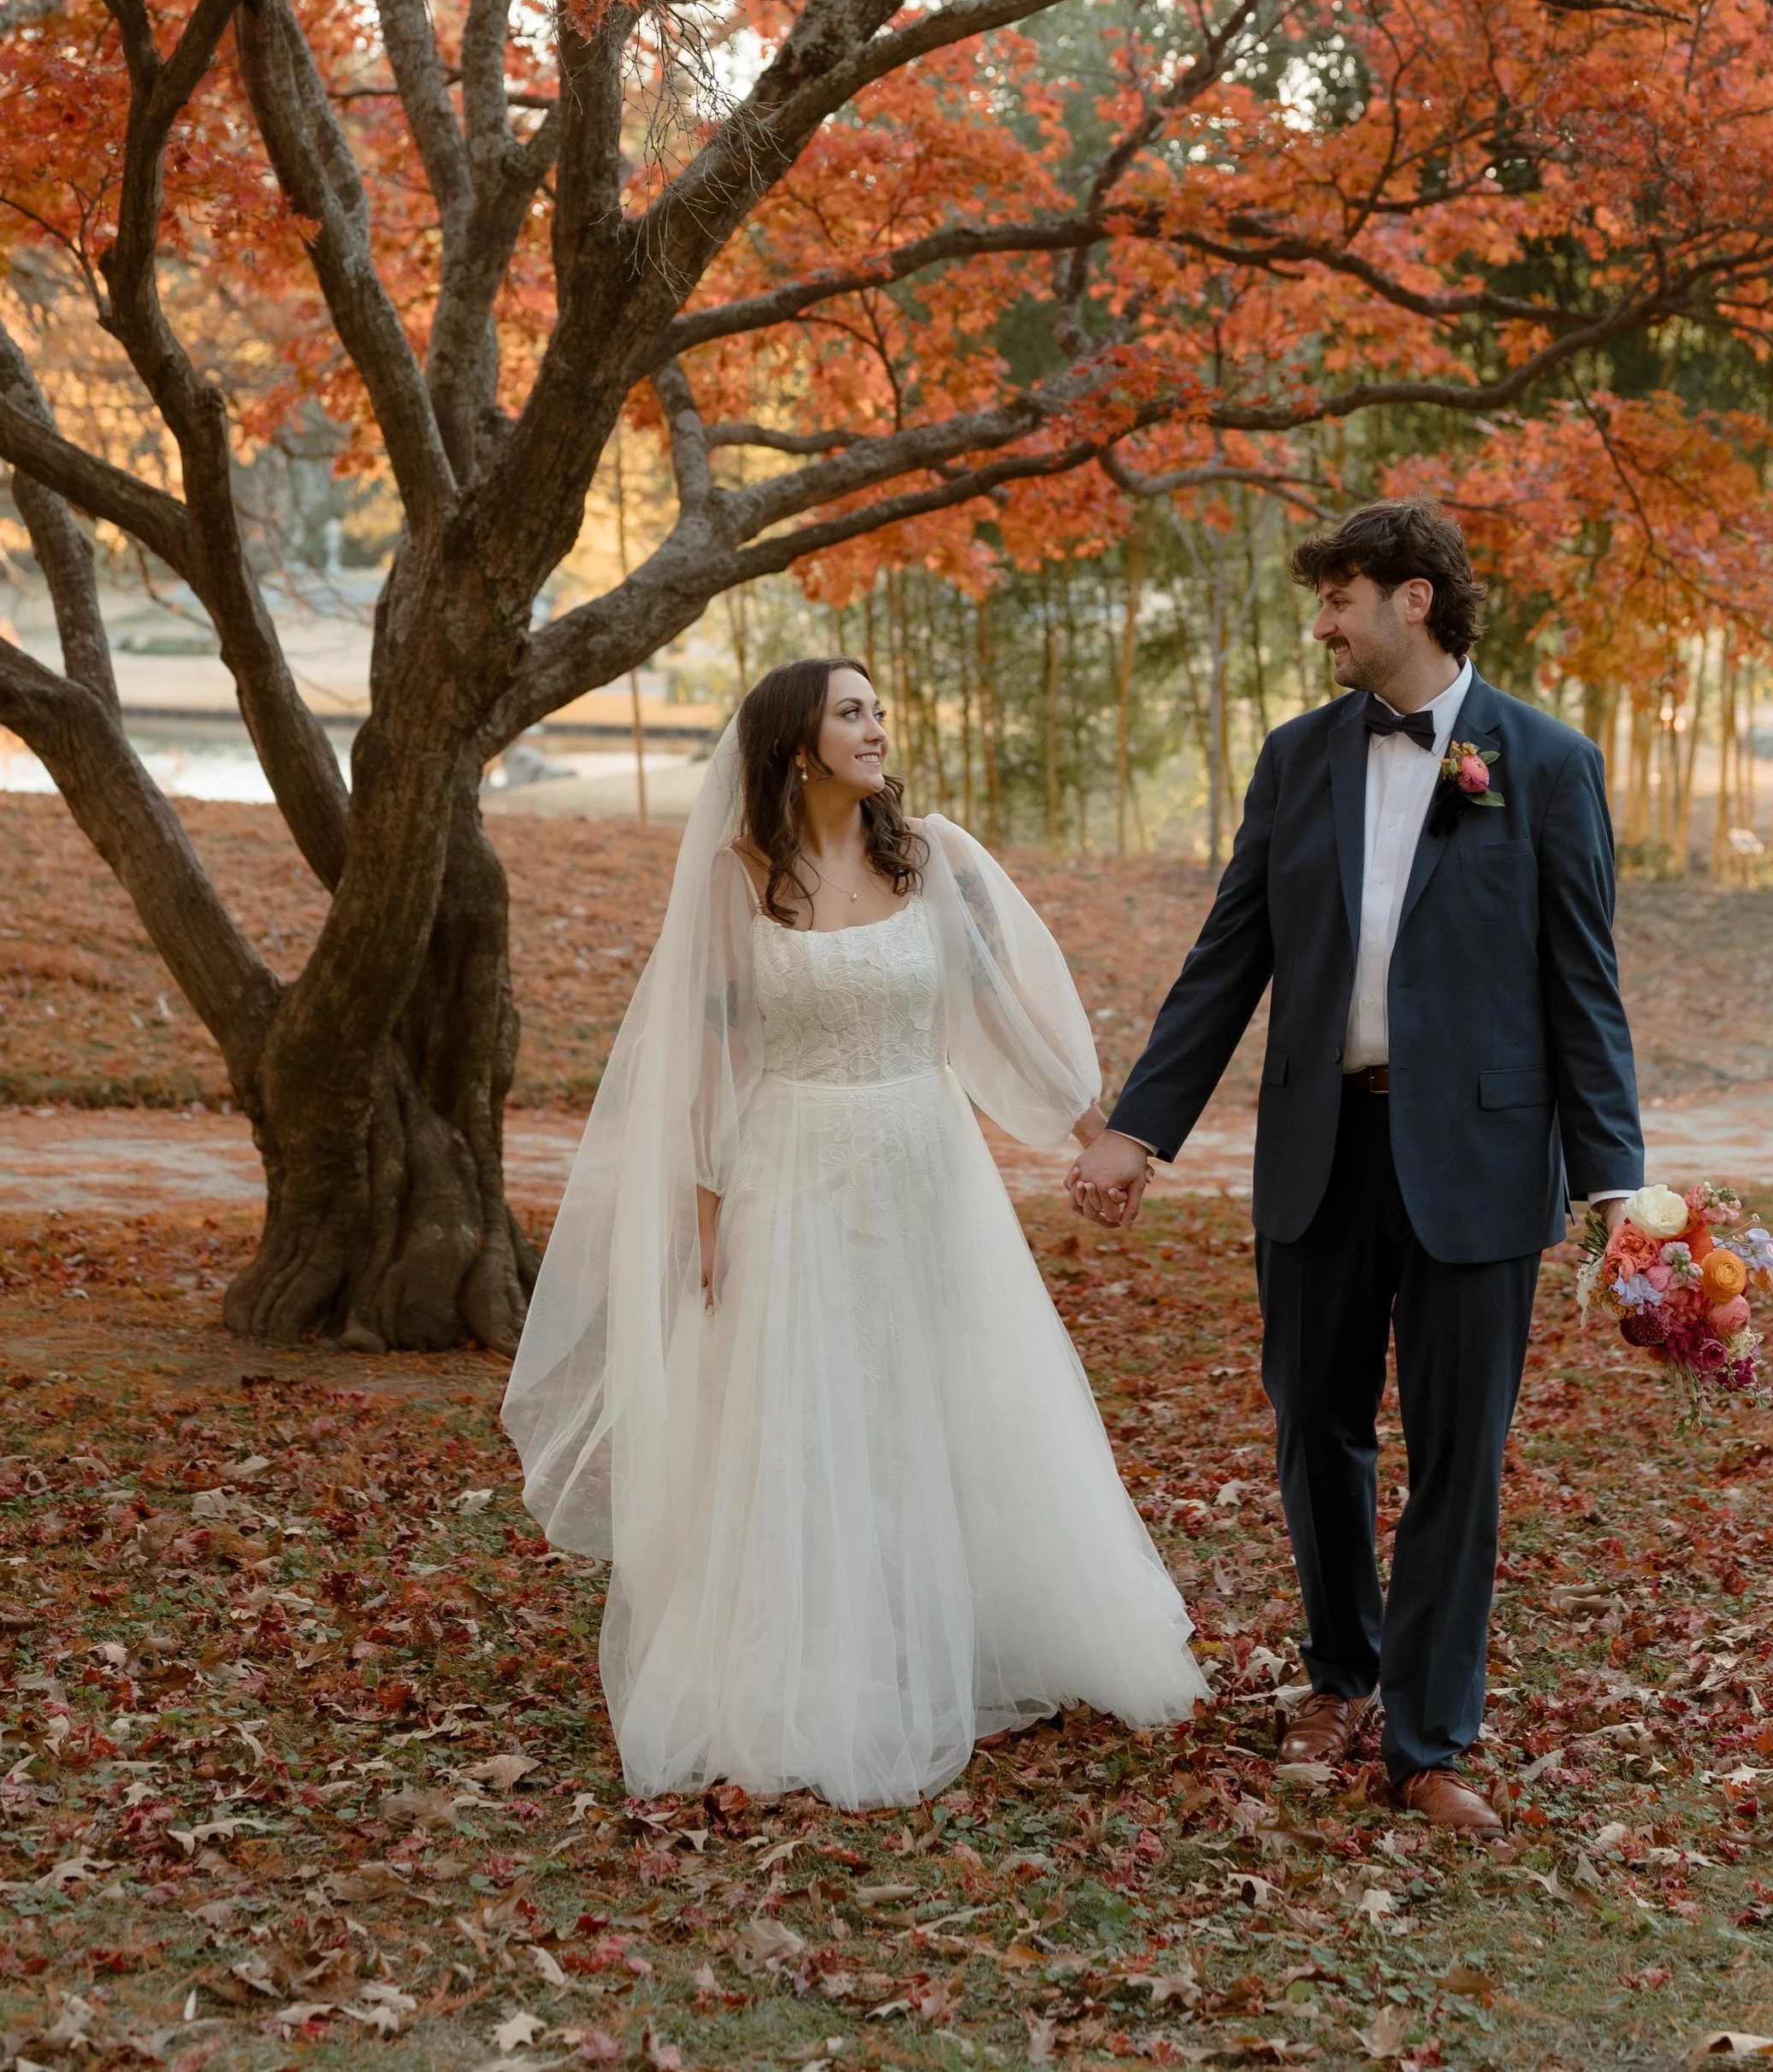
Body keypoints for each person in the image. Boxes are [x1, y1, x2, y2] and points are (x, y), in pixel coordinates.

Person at [504, 657, 1201, 1808]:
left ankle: (952, 1623)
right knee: (810, 1405)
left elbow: (992, 1011)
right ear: (794, 745)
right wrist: (707, 1218)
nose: (877, 727)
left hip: (927, 1165)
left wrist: (1096, 1129)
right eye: (852, 712)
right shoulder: (739, 880)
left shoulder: (925, 855)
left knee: (936, 1391)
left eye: (879, 708)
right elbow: (712, 1064)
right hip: (795, 1171)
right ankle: (818, 1655)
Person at [1069, 500, 1643, 1837]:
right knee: (1314, 1422)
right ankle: (1343, 1669)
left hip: (1487, 1162)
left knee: (1459, 1456)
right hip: (1319, 1148)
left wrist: (1616, 1182)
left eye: (1339, 596)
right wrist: (1137, 1127)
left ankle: (1429, 1738)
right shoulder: (1295, 759)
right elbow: (1229, 958)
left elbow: (1585, 989)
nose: (1321, 622)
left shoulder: (1548, 764)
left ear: (1416, 601)